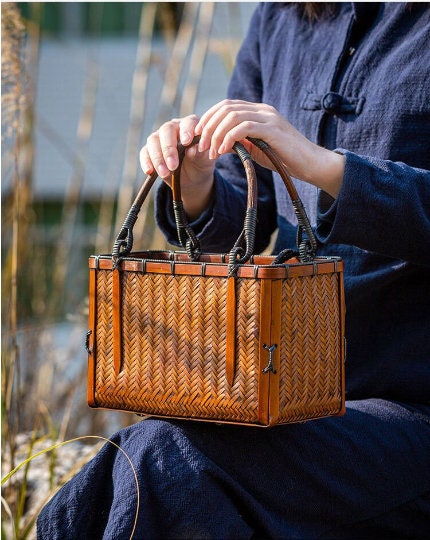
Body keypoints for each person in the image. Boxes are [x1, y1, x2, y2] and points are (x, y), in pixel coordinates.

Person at [37, 3, 430, 539]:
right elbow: (241, 216)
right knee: (131, 479)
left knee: (159, 461)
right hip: (280, 399)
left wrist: (323, 166)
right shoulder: (282, 16)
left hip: (408, 412)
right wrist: (193, 177)